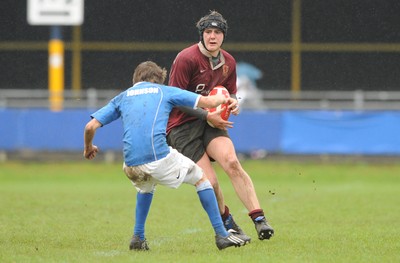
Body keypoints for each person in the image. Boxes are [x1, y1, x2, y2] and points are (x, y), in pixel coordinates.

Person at [83, 61, 250, 251]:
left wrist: (88, 148)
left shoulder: (122, 97)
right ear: (158, 79)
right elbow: (209, 102)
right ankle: (222, 234)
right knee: (202, 179)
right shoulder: (164, 91)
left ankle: (138, 238)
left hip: (130, 164)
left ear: (135, 79)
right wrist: (228, 100)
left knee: (145, 187)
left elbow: (90, 127)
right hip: (158, 157)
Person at [166, 11, 274, 240]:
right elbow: (174, 99)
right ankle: (228, 222)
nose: (212, 36)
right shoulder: (186, 58)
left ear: (223, 36)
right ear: (202, 35)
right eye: (208, 32)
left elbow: (230, 91)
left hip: (211, 121)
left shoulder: (229, 62)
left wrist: (233, 102)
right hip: (183, 127)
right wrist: (206, 116)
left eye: (217, 32)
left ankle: (259, 219)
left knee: (232, 162)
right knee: (210, 182)